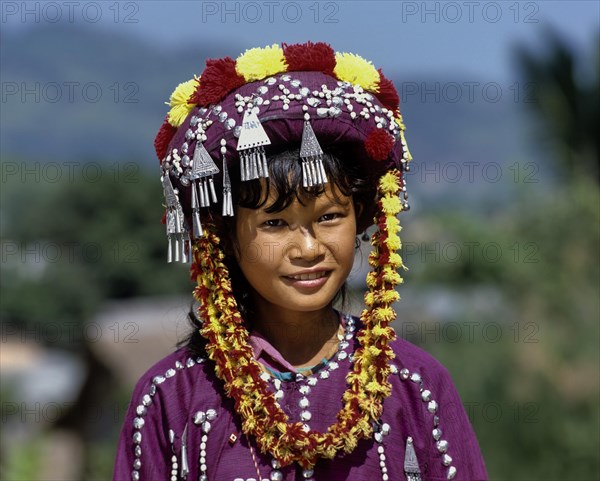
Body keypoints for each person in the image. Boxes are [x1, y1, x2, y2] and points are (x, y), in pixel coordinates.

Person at [113, 42, 488, 481]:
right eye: (275, 223)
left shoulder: (416, 385)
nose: (308, 249)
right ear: (227, 238)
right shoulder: (172, 398)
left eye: (328, 217)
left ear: (363, 217)